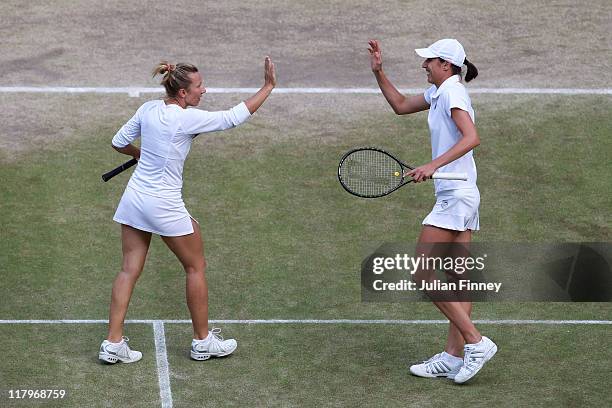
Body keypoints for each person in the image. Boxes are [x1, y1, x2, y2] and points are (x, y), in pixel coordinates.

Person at [98, 56, 276, 363]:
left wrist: (139, 154)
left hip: (135, 199)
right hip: (163, 205)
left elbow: (118, 141)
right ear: (183, 93)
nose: (203, 91)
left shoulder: (149, 108)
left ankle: (112, 343)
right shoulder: (186, 119)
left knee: (128, 269)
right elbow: (234, 117)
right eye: (199, 86)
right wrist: (269, 86)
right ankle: (203, 340)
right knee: (196, 266)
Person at [368, 38, 496, 383]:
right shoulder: (440, 92)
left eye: (430, 61)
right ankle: (454, 357)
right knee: (457, 278)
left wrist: (433, 165)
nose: (424, 65)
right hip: (462, 194)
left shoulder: (453, 93)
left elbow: (472, 137)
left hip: (455, 196)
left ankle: (476, 342)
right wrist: (380, 72)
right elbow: (399, 104)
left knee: (422, 275)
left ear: (447, 65)